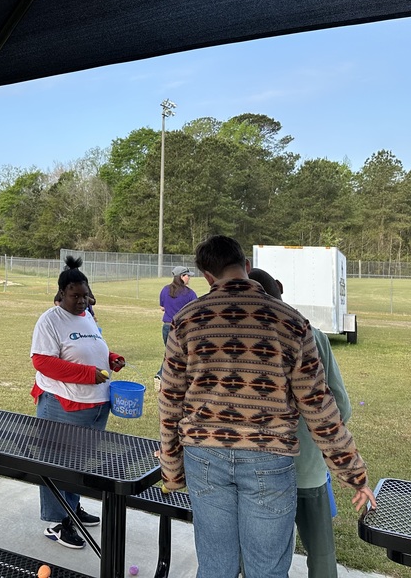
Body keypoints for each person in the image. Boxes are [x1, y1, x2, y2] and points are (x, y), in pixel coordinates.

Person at [157, 236, 375, 578]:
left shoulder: (186, 320)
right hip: (269, 458)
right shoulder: (291, 321)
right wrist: (354, 474)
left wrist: (172, 469)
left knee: (215, 566)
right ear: (245, 267)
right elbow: (319, 405)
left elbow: (170, 402)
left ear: (207, 277)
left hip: (203, 455)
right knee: (268, 570)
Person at [249, 267, 351, 578]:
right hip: (307, 468)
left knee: (258, 551)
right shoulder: (313, 335)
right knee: (321, 553)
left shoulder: (245, 342)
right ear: (279, 287)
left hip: (259, 469)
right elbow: (341, 407)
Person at [30, 256, 126, 550]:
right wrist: (88, 374)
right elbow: (43, 362)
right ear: (61, 294)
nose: (82, 301)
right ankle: (57, 522)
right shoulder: (50, 320)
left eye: (85, 295)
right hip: (63, 404)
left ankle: (72, 507)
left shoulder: (87, 316)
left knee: (78, 462)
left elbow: (91, 347)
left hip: (96, 405)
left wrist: (110, 359)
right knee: (56, 461)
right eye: (75, 296)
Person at [155, 266, 197, 392]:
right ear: (181, 276)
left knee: (170, 353)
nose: (189, 278)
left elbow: (162, 307)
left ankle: (164, 377)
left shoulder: (165, 290)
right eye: (187, 275)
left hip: (167, 326)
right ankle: (163, 375)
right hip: (182, 328)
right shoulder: (189, 293)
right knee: (182, 356)